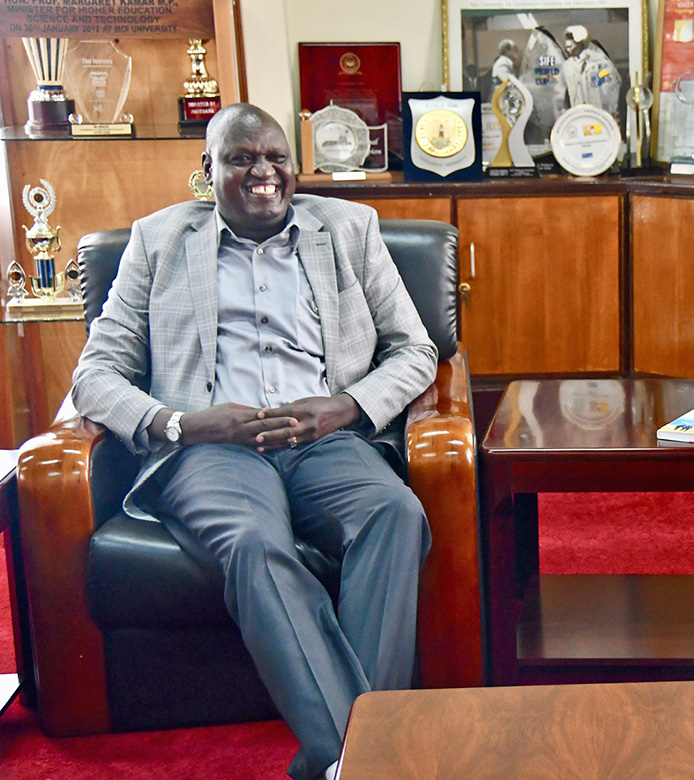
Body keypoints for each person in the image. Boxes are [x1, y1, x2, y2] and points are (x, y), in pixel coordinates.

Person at [71, 103, 438, 780]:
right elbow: (95, 374)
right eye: (241, 159)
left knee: (395, 514)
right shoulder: (157, 242)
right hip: (213, 448)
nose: (263, 172)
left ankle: (346, 753)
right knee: (253, 544)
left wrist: (343, 408)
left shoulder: (349, 228)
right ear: (207, 171)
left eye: (275, 157)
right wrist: (183, 424)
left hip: (325, 439)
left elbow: (416, 350)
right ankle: (365, 758)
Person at [561, 25, 622, 121]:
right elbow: (562, 93)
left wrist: (610, 111)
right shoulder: (567, 66)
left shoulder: (599, 62)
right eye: (567, 47)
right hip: (577, 116)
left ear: (580, 43)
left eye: (571, 46)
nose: (568, 50)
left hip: (598, 116)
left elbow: (612, 87)